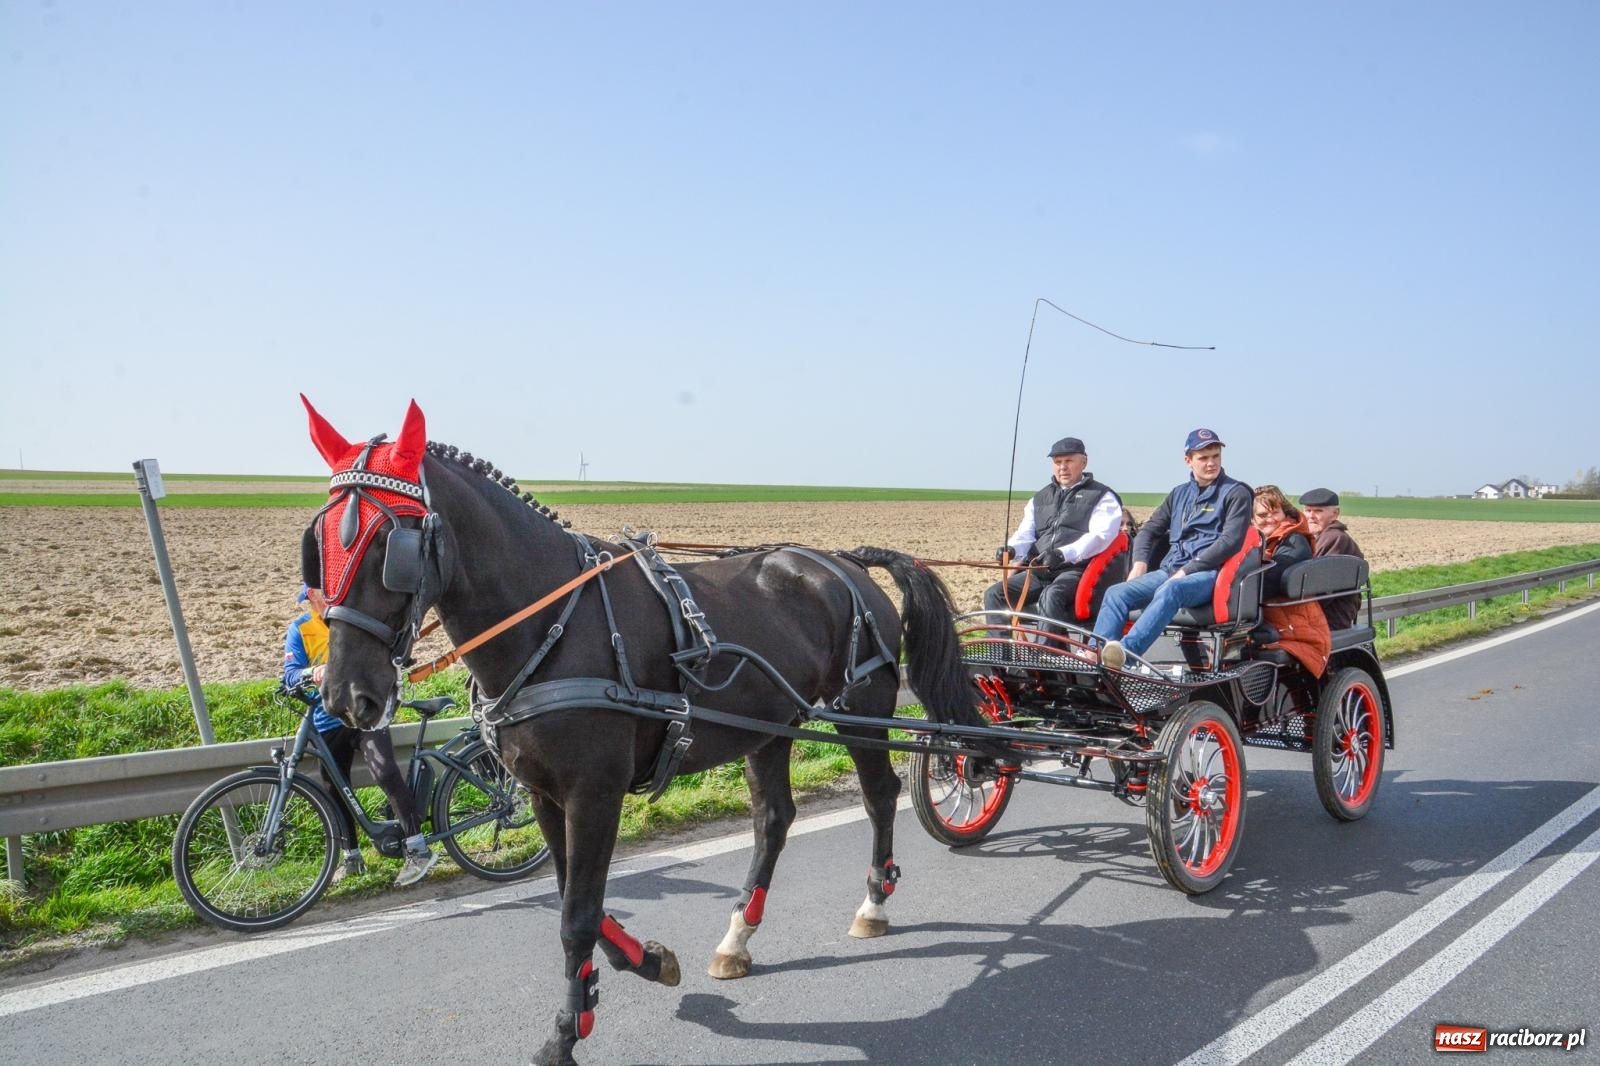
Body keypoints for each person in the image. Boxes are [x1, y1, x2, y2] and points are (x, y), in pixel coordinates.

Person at [284, 585, 438, 887]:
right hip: (327, 721)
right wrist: (310, 673)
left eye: (326, 593)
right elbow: (289, 674)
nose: (324, 599)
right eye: (317, 595)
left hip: (364, 713)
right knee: (333, 791)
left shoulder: (353, 620)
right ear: (310, 599)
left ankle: (418, 849)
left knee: (385, 772)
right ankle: (352, 857)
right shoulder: (300, 630)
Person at [1094, 428, 1253, 670]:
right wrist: (1140, 563)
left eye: (1215, 456)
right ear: (1188, 460)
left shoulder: (1236, 493)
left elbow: (1230, 541)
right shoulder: (1179, 494)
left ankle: (1124, 656)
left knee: (1172, 588)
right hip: (1170, 570)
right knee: (1116, 593)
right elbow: (1148, 531)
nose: (1211, 463)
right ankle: (1096, 657)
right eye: (1203, 457)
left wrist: (1189, 569)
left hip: (1209, 575)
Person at [984, 436, 1125, 626]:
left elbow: (1100, 537)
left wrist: (1061, 554)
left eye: (1068, 461)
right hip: (1039, 571)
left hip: (1076, 570)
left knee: (1051, 595)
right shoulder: (1040, 498)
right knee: (995, 594)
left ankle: (1047, 654)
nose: (1062, 467)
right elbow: (1026, 533)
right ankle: (1003, 654)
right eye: (1057, 462)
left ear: (1083, 462)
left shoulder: (1102, 496)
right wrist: (1012, 550)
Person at [1250, 486, 1330, 676]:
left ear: (1284, 512)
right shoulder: (1255, 540)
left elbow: (1272, 580)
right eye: (1262, 515)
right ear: (1253, 519)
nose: (1269, 519)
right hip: (1265, 615)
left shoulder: (1295, 540)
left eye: (1274, 512)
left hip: (1291, 619)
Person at [1298, 487, 1365, 630]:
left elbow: (1319, 586)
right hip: (1323, 613)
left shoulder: (1335, 538)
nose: (1311, 516)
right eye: (1308, 510)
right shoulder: (1318, 537)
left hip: (1330, 616)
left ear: (1335, 514)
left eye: (1318, 511)